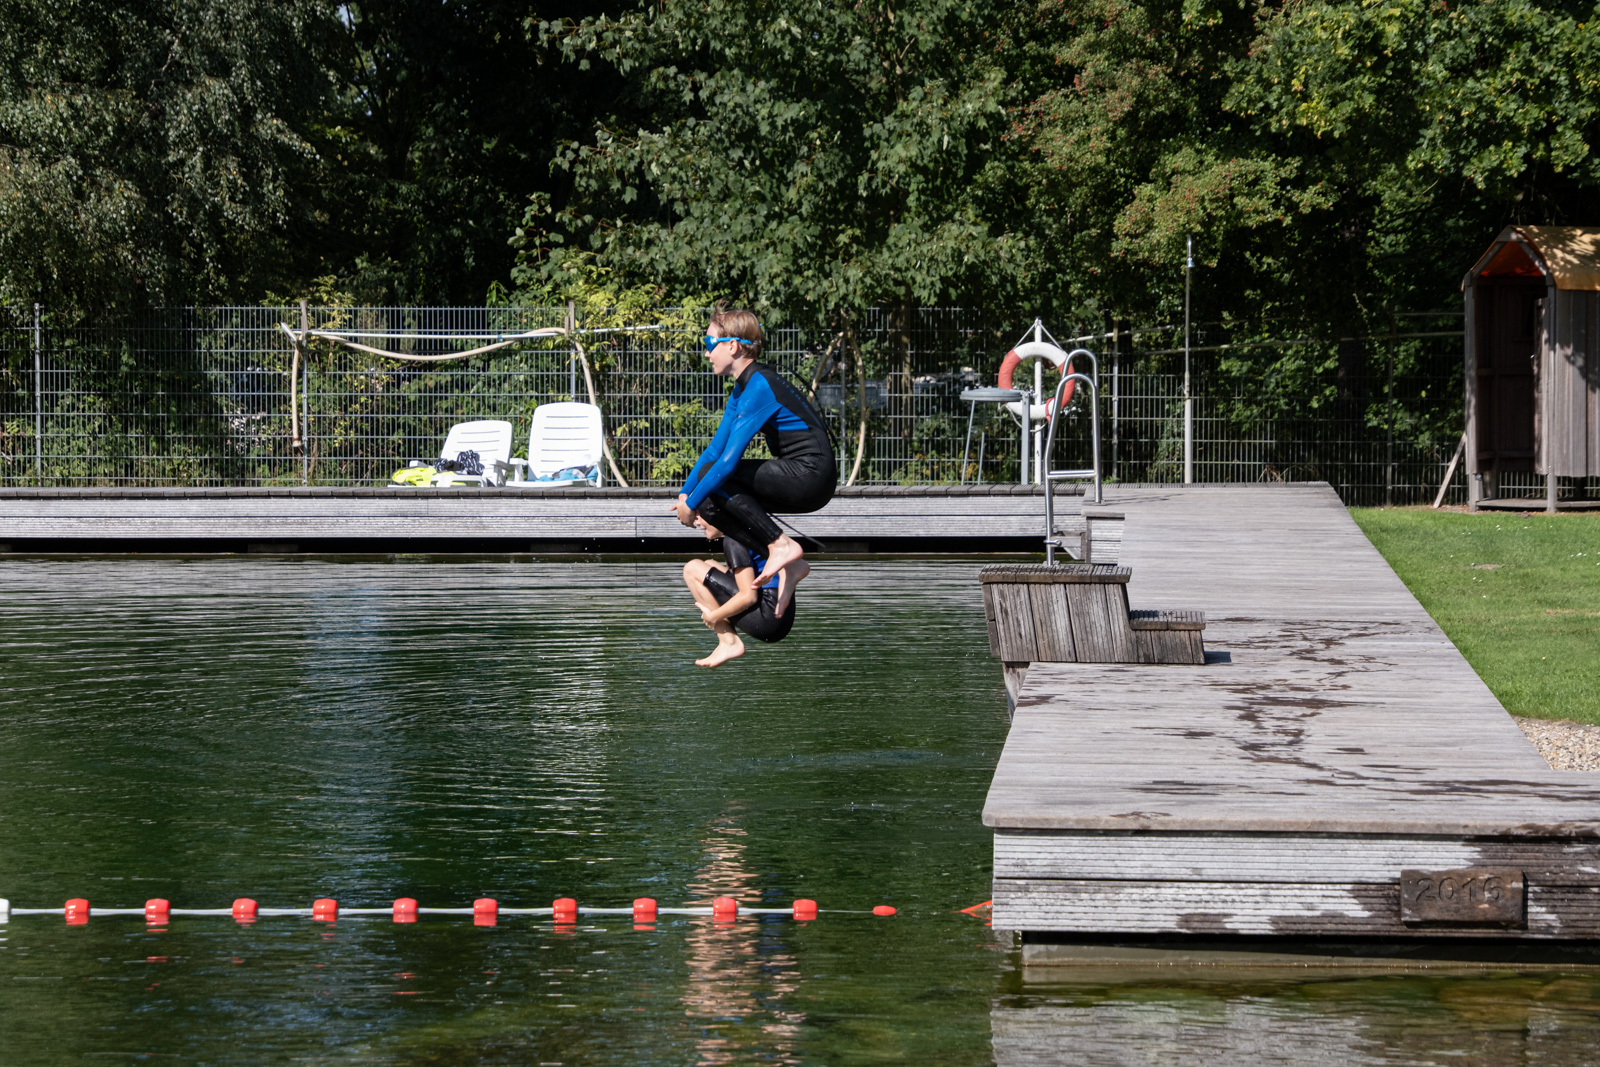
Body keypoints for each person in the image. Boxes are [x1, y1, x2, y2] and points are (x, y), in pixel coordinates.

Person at [672, 309, 835, 615]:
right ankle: (790, 561)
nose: (706, 353)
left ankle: (781, 546)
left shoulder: (759, 386)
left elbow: (727, 464)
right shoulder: (742, 388)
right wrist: (686, 494)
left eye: (709, 344)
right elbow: (714, 450)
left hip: (811, 475)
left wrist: (689, 503)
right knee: (711, 504)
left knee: (712, 485)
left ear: (732, 346)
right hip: (804, 475)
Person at [681, 516, 807, 667]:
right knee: (709, 564)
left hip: (767, 619)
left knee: (692, 568)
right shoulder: (747, 530)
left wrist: (713, 617)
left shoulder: (733, 539)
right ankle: (729, 642)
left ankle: (729, 641)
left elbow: (748, 597)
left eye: (699, 516)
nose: (697, 522)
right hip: (781, 617)